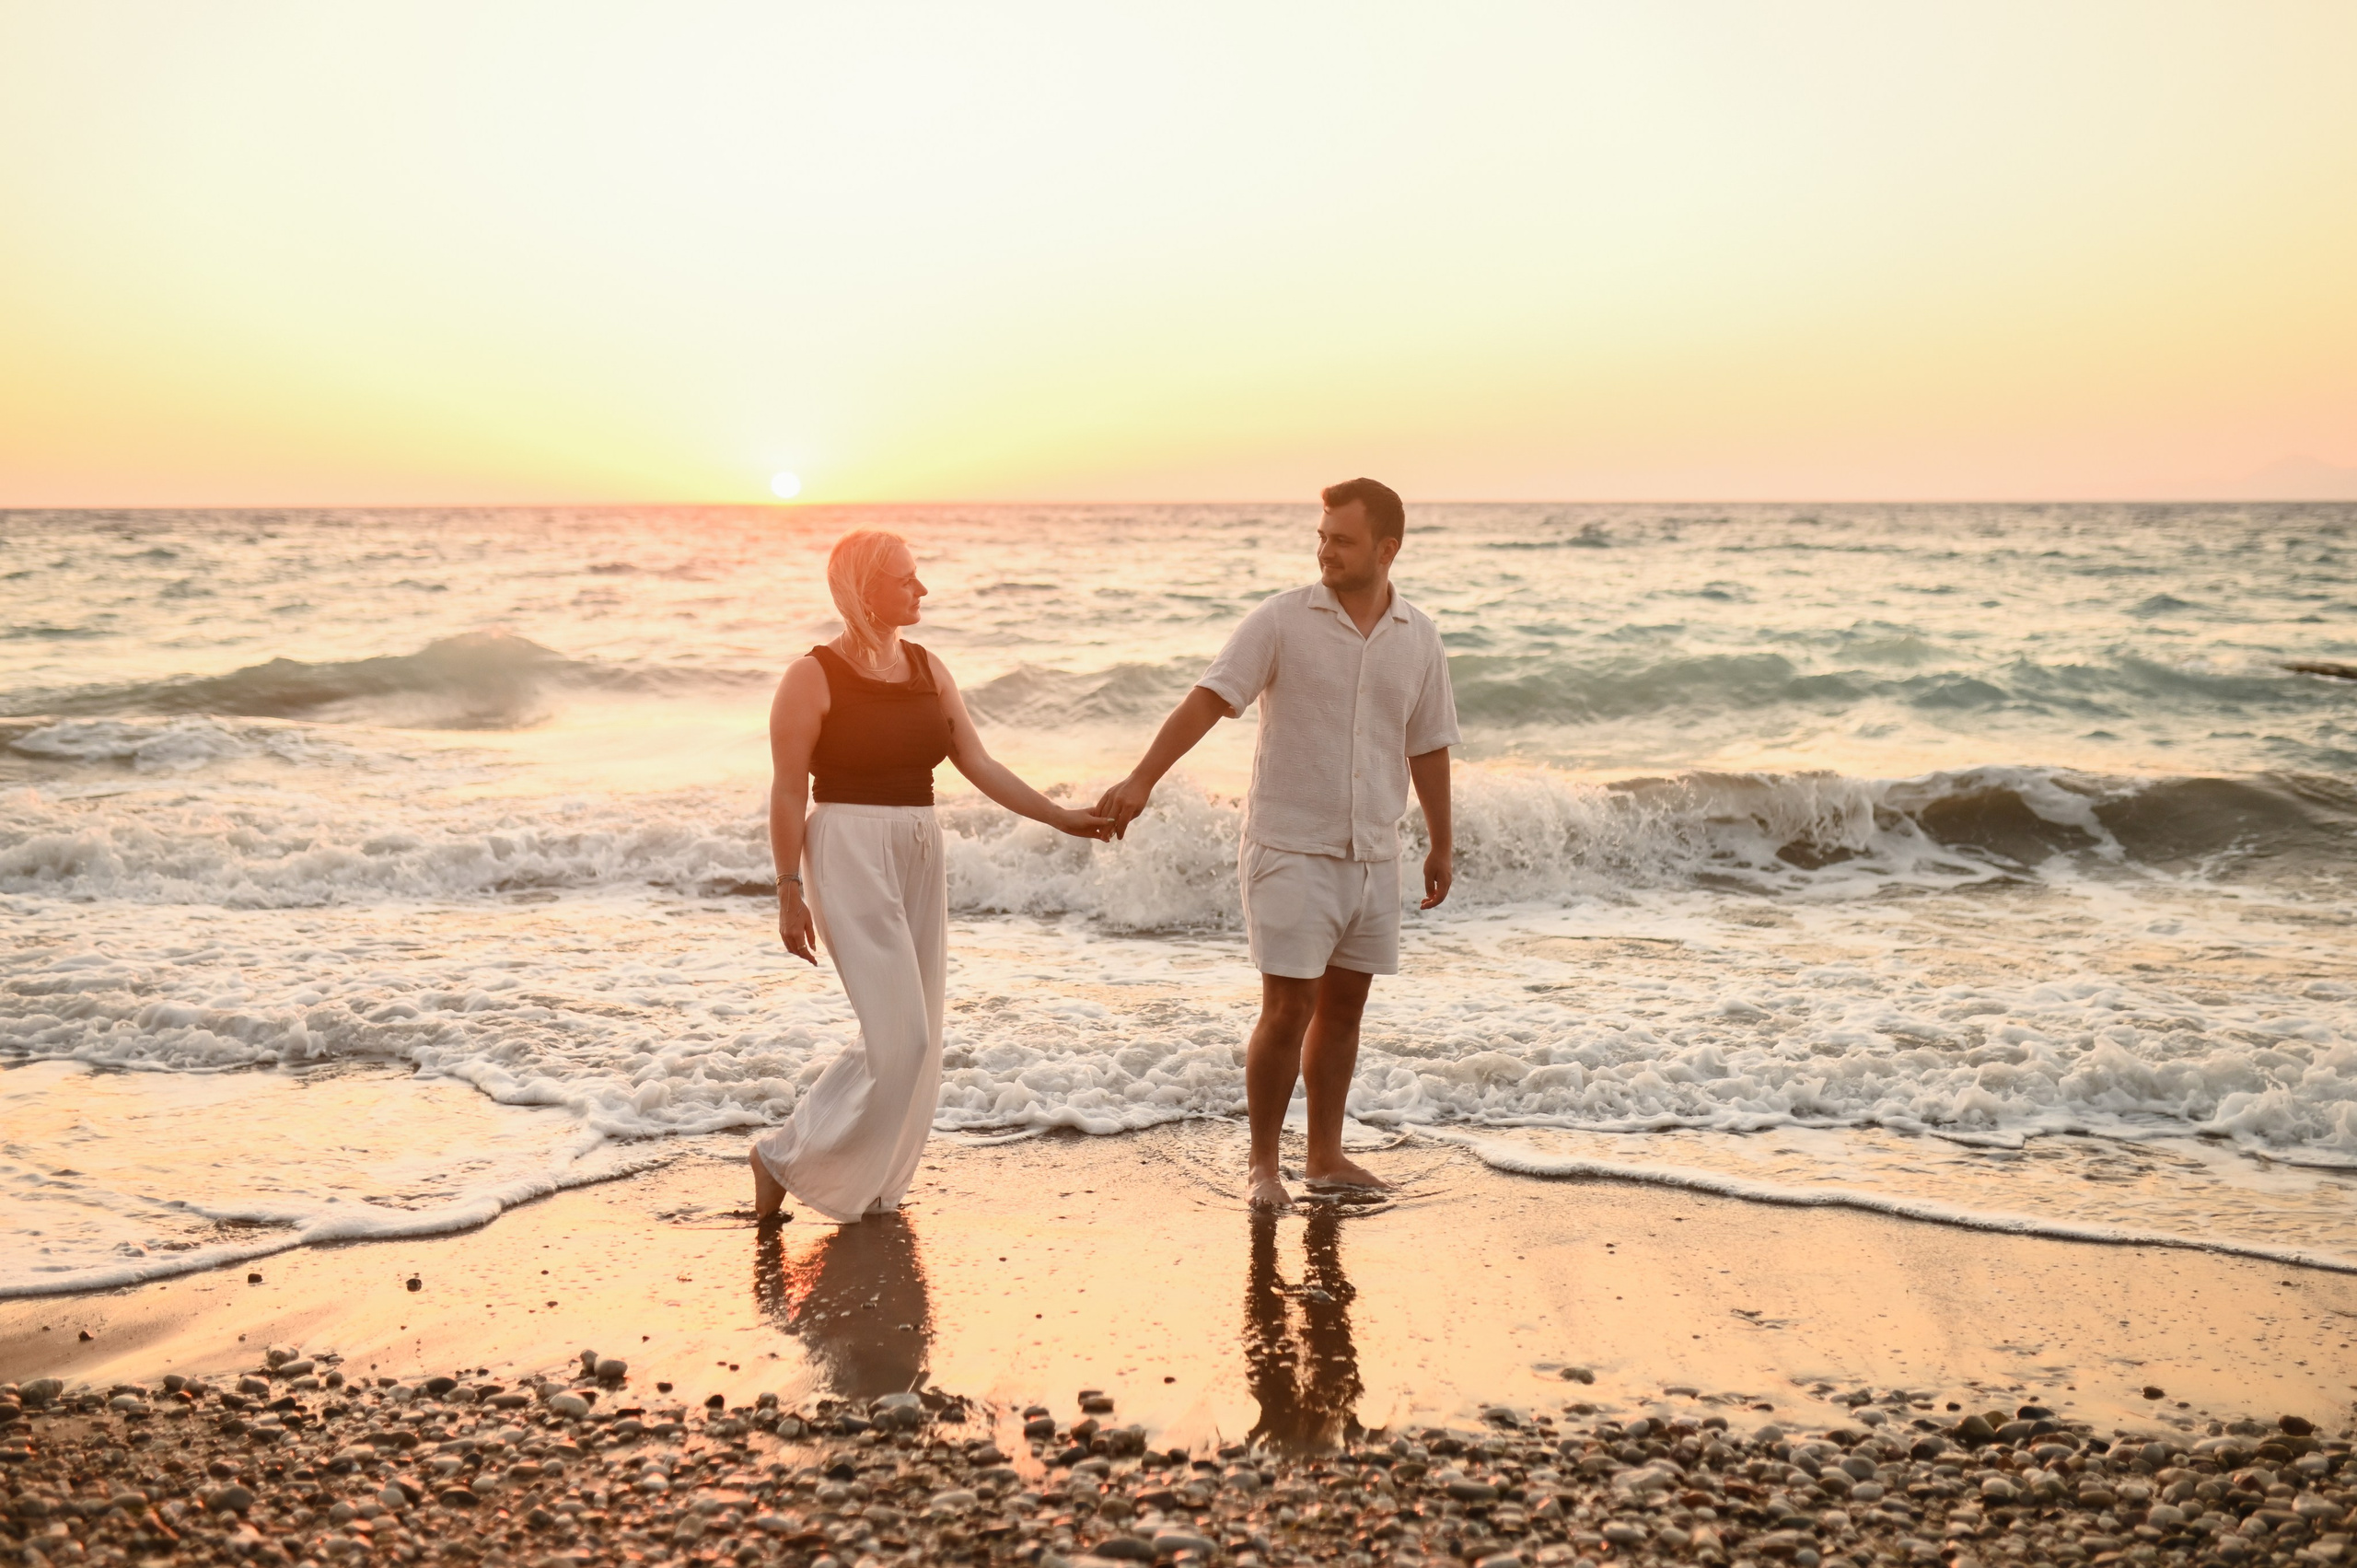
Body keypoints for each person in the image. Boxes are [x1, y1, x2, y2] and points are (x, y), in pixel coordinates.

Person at [1097, 479, 1458, 1210]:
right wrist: (1142, 779)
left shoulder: (1418, 636)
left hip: (1373, 852)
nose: (1325, 550)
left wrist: (1441, 843)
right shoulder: (1280, 620)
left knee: (1345, 1010)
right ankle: (1263, 1165)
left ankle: (1324, 1154)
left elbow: (1428, 744)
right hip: (1289, 845)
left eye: (1342, 539)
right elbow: (1209, 699)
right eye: (1322, 536)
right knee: (1288, 1008)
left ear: (1387, 549)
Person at [751, 529, 1110, 1225]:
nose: (922, 589)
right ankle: (782, 1155)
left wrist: (1059, 816)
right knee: (901, 1037)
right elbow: (788, 790)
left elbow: (978, 762)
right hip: (846, 846)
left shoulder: (928, 667)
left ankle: (875, 1181)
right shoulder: (811, 676)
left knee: (921, 1034)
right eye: (906, 579)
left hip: (920, 844)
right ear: (865, 590)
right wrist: (787, 889)